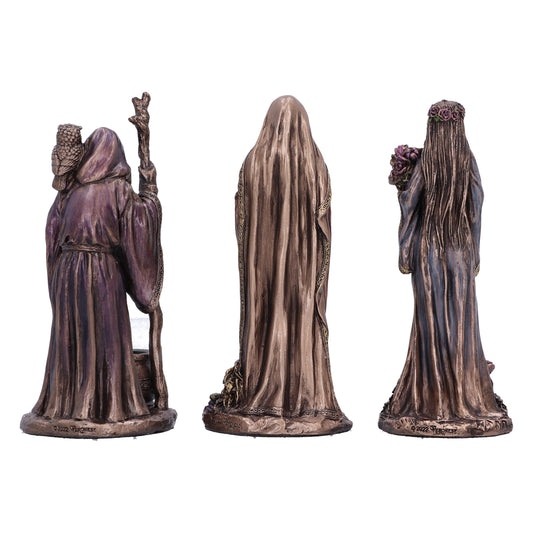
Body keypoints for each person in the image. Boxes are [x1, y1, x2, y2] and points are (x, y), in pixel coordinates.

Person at [203, 96, 351, 436]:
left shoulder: (253, 161)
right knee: (300, 319)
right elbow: (324, 221)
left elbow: (241, 216)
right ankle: (305, 398)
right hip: (303, 267)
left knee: (266, 317)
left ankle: (264, 389)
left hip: (264, 270)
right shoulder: (314, 164)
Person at [22, 126, 174, 437]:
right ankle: (109, 404)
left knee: (73, 335)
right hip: (102, 273)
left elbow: (51, 232)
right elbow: (140, 222)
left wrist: (58, 273)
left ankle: (66, 403)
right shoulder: (118, 190)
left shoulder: (70, 191)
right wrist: (150, 189)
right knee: (106, 335)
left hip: (67, 273)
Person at [380, 100, 512, 437]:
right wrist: (475, 251)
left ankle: (433, 395)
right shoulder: (467, 160)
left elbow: (410, 203)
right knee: (462, 319)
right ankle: (465, 389)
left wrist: (402, 190)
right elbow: (476, 205)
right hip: (460, 251)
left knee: (432, 321)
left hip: (429, 250)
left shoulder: (426, 163)